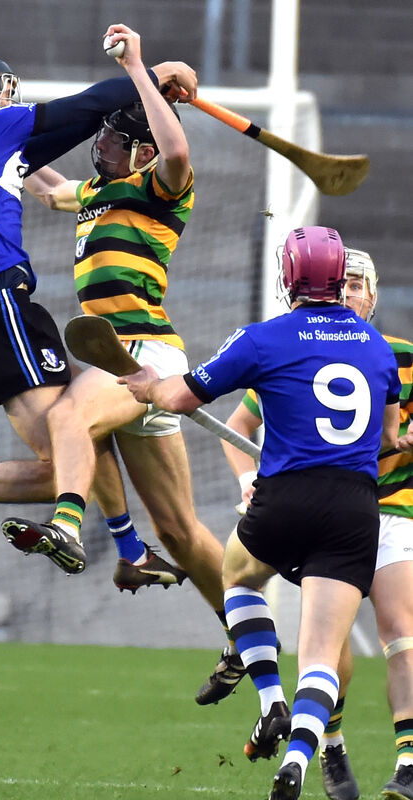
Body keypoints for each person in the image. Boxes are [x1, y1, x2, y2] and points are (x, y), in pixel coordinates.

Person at [0, 28, 197, 591]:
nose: (11, 101)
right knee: (73, 451)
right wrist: (149, 72)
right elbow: (84, 108)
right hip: (1, 300)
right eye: (2, 90)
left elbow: (54, 150)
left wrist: (145, 90)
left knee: (73, 451)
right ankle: (71, 529)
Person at [119, 225, 401, 800]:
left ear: (291, 276)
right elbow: (390, 437)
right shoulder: (378, 348)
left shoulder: (263, 338)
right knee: (324, 654)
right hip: (354, 508)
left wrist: (150, 385)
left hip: (286, 497)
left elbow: (181, 397)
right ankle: (297, 757)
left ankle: (271, 700)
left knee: (237, 576)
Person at [1, 23, 230, 639]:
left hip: (145, 353)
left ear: (144, 150)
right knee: (178, 531)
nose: (99, 148)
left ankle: (70, 527)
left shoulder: (161, 188)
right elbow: (46, 189)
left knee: (69, 420)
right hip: (117, 362)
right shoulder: (101, 190)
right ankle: (249, 644)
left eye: (114, 142)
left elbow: (179, 153)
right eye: (101, 139)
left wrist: (140, 69)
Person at [209, 247, 413, 800]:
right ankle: (330, 748)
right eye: (339, 284)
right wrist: (247, 477)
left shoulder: (397, 355)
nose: (346, 294)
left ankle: (407, 764)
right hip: (346, 512)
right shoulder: (302, 349)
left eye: (356, 286)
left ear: (372, 295)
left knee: (401, 632)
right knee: (331, 649)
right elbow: (241, 421)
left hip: (392, 510)